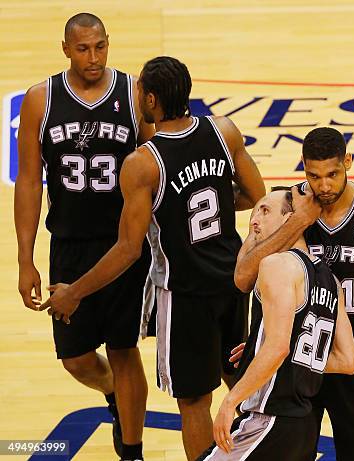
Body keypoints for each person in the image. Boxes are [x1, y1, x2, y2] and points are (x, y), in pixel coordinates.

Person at [39, 55, 266, 461]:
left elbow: (128, 249)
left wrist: (75, 291)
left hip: (186, 293)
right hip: (233, 281)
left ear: (151, 99)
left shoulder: (142, 164)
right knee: (241, 379)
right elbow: (255, 196)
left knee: (194, 401)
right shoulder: (223, 131)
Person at [15, 13, 155, 461]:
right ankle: (116, 395)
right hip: (70, 246)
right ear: (65, 49)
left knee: (123, 348)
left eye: (99, 47)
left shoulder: (134, 95)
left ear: (108, 43)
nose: (93, 58)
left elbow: (157, 165)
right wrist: (24, 258)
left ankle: (132, 450)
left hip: (126, 246)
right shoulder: (42, 99)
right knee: (75, 358)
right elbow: (30, 182)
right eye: (82, 49)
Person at [233, 127, 354, 460]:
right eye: (313, 175)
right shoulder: (286, 205)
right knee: (290, 452)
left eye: (333, 174)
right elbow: (244, 278)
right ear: (303, 167)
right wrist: (297, 222)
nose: (323, 186)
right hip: (299, 353)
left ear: (348, 162)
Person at [198, 189, 354, 461]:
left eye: (265, 210)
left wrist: (230, 401)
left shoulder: (276, 264)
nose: (254, 220)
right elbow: (347, 360)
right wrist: (262, 347)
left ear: (291, 219)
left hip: (268, 420)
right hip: (303, 428)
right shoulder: (330, 280)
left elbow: (278, 348)